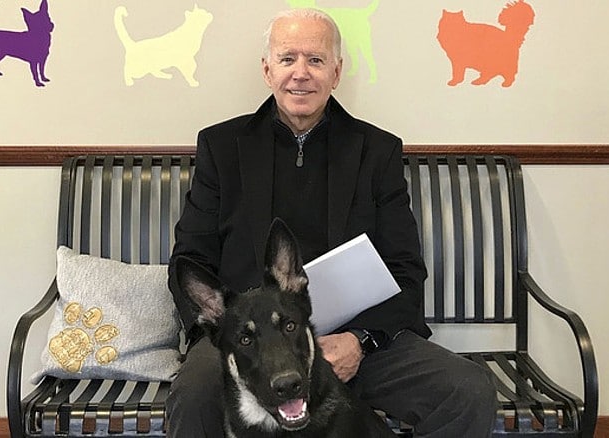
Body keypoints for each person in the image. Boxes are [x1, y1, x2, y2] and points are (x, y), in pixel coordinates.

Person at [166, 8, 497, 437]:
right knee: (195, 394)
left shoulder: (376, 152)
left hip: (356, 339)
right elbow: (189, 259)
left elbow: (405, 269)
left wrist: (362, 339)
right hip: (249, 342)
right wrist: (225, 334)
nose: (300, 73)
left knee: (467, 389)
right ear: (267, 70)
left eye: (316, 60)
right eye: (287, 59)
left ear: (336, 73)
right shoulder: (222, 147)